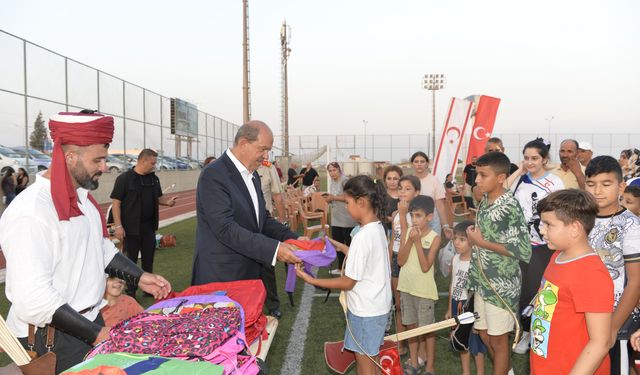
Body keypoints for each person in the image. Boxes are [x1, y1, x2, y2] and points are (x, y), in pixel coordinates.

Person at [0, 111, 171, 373]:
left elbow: (101, 250)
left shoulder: (84, 201)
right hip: (52, 338)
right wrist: (96, 333)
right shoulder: (31, 211)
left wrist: (140, 276)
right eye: (98, 160)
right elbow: (33, 299)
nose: (104, 167)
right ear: (69, 157)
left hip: (89, 320)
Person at [295, 175, 391, 375]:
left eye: (347, 202)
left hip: (365, 312)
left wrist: (312, 279)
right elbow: (364, 259)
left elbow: (348, 282)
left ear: (361, 202)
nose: (346, 207)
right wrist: (337, 245)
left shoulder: (363, 236)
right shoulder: (377, 228)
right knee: (372, 360)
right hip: (377, 307)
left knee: (365, 367)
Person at [191, 121, 302, 287]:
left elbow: (261, 219)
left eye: (268, 151)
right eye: (262, 149)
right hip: (221, 277)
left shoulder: (253, 175)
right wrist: (275, 249)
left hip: (249, 274)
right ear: (243, 143)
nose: (266, 156)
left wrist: (295, 239)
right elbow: (225, 229)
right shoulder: (213, 175)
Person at [530, 189, 614, 374]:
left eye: (548, 224)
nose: (541, 230)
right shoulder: (558, 256)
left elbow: (600, 342)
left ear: (574, 228)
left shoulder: (591, 274)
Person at [466, 151, 531, 375]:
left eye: (483, 175)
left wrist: (479, 242)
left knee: (499, 340)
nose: (477, 180)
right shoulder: (485, 200)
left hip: (501, 284)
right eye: (477, 174)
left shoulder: (509, 207)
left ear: (501, 178)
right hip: (483, 282)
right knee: (484, 334)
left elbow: (522, 250)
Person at [506, 138, 565, 354]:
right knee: (520, 290)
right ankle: (522, 331)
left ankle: (533, 332)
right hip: (519, 244)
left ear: (544, 159)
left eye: (534, 158)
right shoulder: (519, 180)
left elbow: (561, 213)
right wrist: (519, 171)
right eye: (526, 158)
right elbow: (500, 191)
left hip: (544, 245)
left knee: (536, 290)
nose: (530, 162)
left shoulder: (555, 182)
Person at [585, 155, 640, 374]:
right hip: (585, 315)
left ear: (621, 186)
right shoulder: (580, 219)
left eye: (606, 184)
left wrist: (614, 327)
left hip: (617, 321)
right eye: (591, 184)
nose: (598, 191)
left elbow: (635, 282)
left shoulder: (631, 226)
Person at [110, 149, 177, 296]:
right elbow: (116, 203)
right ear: (142, 161)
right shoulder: (124, 179)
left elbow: (158, 198)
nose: (154, 166)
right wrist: (118, 226)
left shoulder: (154, 179)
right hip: (130, 228)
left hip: (149, 227)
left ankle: (149, 289)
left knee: (148, 259)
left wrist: (167, 202)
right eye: (152, 163)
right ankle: (131, 292)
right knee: (131, 261)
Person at [396, 195, 441, 375]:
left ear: (429, 217)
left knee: (427, 331)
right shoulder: (409, 233)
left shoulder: (434, 237)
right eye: (412, 216)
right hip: (406, 288)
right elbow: (400, 261)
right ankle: (414, 363)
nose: (414, 220)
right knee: (411, 327)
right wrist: (410, 240)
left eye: (419, 216)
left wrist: (417, 242)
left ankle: (430, 367)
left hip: (424, 291)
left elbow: (425, 266)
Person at [446, 220, 487, 375]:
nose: (457, 242)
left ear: (472, 241)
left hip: (471, 305)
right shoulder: (455, 259)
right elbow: (452, 284)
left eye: (462, 239)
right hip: (457, 304)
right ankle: (466, 372)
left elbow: (479, 291)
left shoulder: (476, 262)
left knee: (475, 341)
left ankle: (480, 372)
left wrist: (478, 317)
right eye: (455, 238)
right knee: (461, 339)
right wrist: (450, 307)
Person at [388, 175, 420, 356]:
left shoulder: (417, 215)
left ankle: (415, 342)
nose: (402, 192)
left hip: (411, 260)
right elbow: (394, 239)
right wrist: (388, 259)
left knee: (413, 305)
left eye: (408, 189)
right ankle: (401, 342)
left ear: (417, 192)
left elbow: (410, 239)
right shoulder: (396, 216)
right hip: (395, 259)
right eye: (400, 188)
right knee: (399, 304)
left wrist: (402, 214)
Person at [256, 159, 288, 318]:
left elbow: (277, 195)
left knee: (267, 266)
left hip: (265, 223)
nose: (264, 154)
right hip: (243, 228)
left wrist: (282, 220)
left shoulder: (269, 169)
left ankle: (273, 305)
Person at [410, 151, 453, 237]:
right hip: (412, 222)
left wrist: (445, 226)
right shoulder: (408, 181)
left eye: (422, 161)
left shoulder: (434, 180)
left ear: (427, 164)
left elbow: (440, 205)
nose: (419, 164)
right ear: (412, 164)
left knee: (432, 248)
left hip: (432, 222)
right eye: (416, 161)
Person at [325, 162, 357, 276]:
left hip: (347, 220)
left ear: (339, 170)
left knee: (349, 246)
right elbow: (334, 196)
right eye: (330, 171)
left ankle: (351, 269)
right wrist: (329, 198)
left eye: (334, 170)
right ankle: (340, 268)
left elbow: (349, 197)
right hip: (336, 218)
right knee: (338, 245)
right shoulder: (333, 182)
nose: (332, 173)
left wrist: (333, 197)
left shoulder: (345, 181)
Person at [382, 165, 402, 232]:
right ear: (385, 180)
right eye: (389, 178)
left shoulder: (405, 196)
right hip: (382, 231)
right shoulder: (380, 195)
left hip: (400, 233)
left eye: (395, 179)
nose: (392, 182)